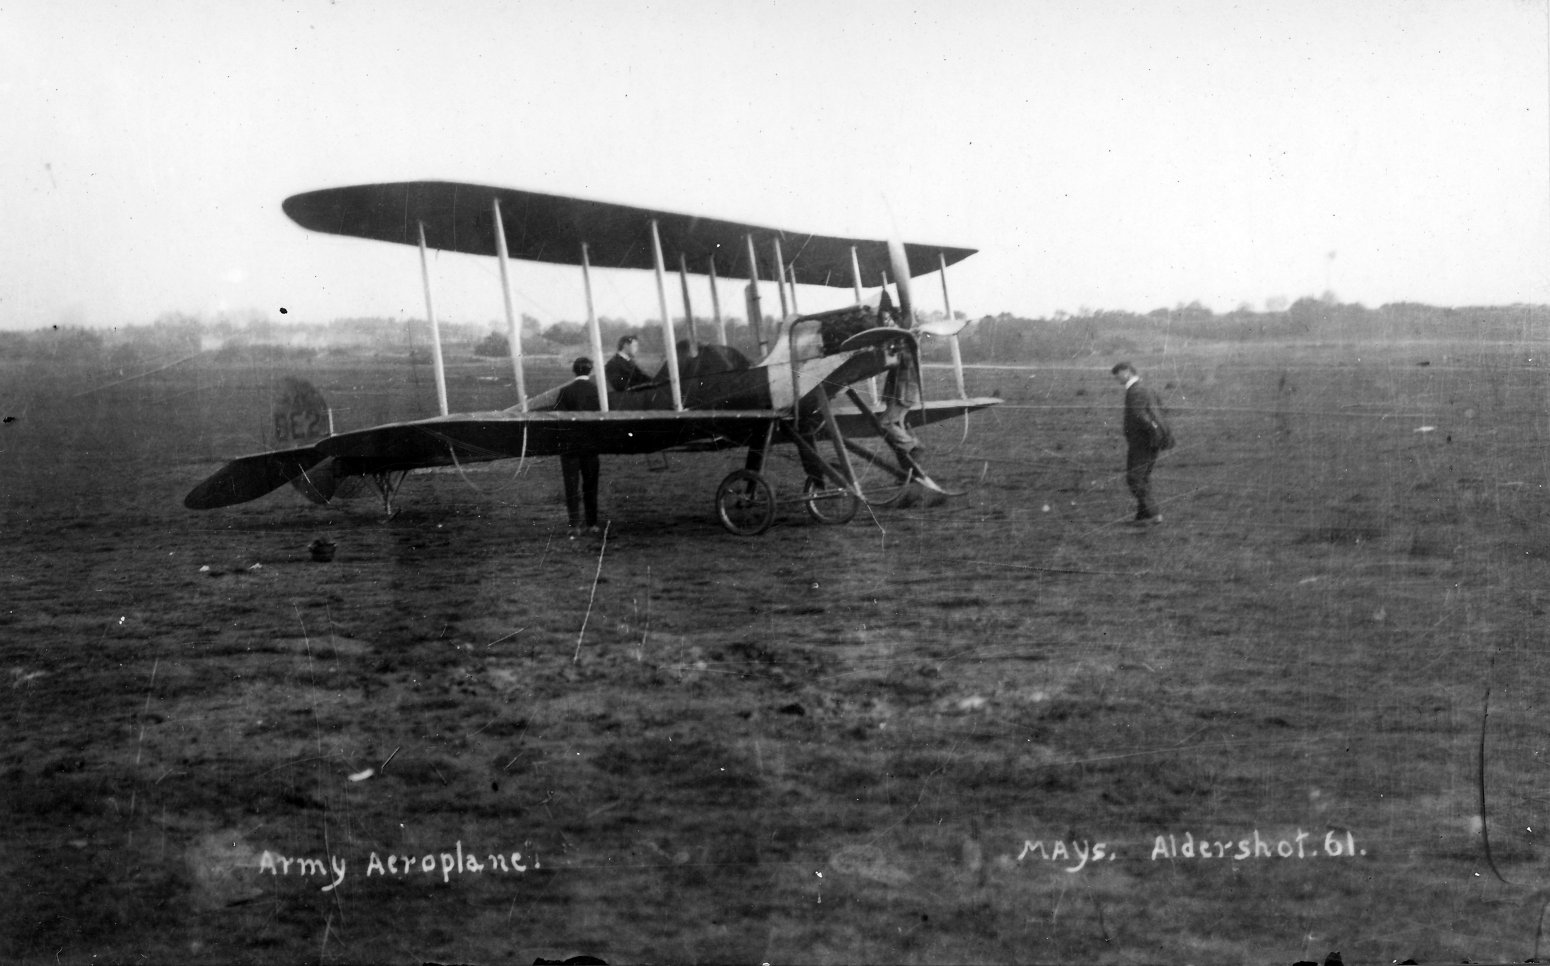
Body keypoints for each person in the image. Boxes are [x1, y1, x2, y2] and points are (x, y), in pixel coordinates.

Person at [1111, 361, 1173, 524]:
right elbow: (1162, 411)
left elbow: (1140, 415)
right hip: (1152, 441)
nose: (1117, 380)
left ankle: (1154, 514)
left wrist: (1150, 429)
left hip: (1142, 442)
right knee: (1143, 478)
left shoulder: (1135, 391)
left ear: (1126, 372)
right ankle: (1143, 516)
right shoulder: (1147, 388)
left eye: (1118, 375)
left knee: (1134, 478)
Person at [555, 357, 602, 536]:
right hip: (590, 447)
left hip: (570, 447)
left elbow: (558, 418)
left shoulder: (565, 391)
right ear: (589, 371)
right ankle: (592, 524)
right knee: (591, 486)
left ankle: (574, 525)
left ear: (574, 371)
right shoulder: (596, 391)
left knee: (571, 486)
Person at [880, 339, 923, 459]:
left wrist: (893, 350)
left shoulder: (909, 353)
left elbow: (901, 361)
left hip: (904, 392)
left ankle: (911, 444)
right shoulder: (903, 350)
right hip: (896, 391)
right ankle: (911, 450)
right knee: (898, 422)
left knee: (885, 422)